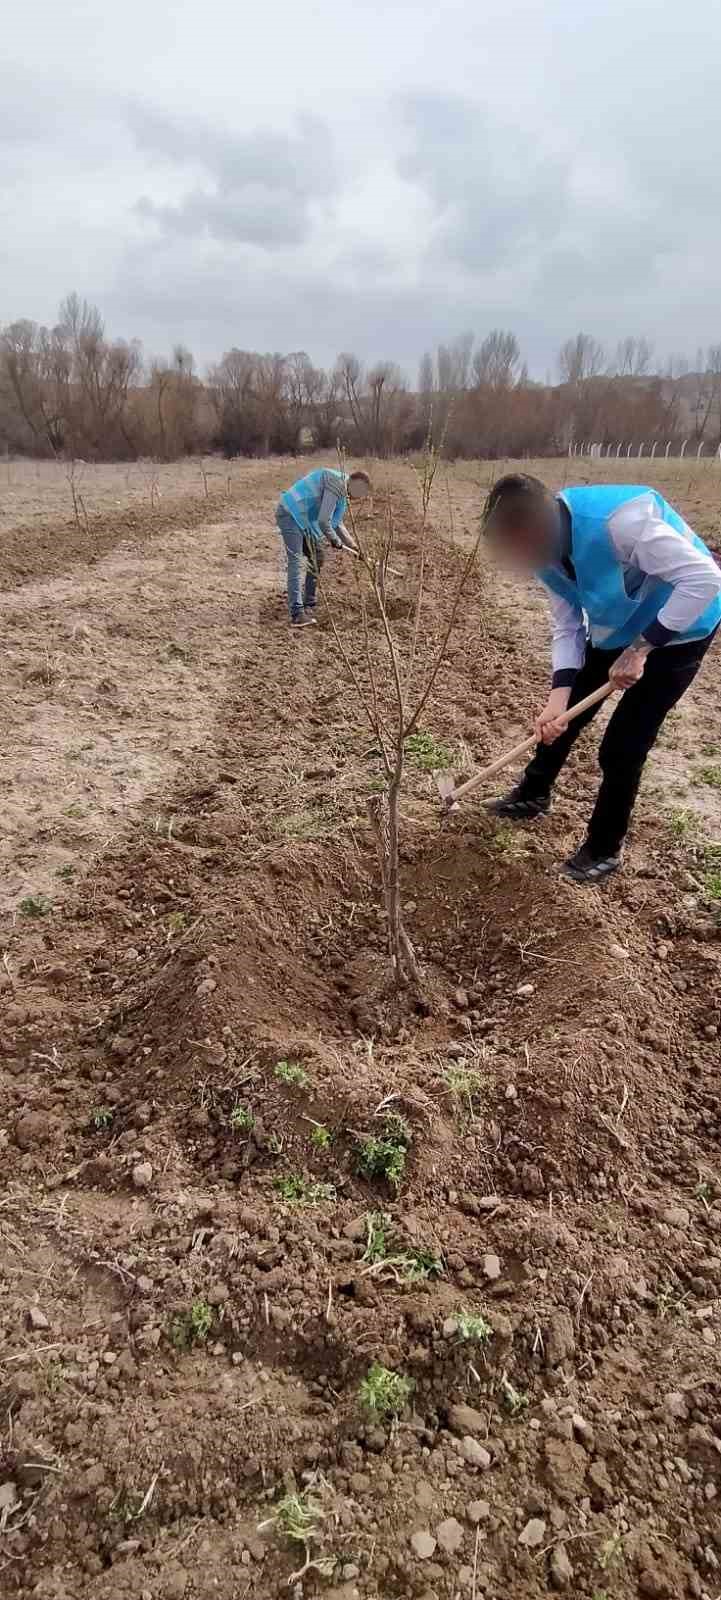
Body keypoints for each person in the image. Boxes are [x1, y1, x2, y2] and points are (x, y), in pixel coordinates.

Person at [482, 474, 721, 884]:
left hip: (684, 625)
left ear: (540, 526)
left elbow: (704, 579)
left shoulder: (621, 523)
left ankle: (604, 848)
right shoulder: (543, 555)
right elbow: (568, 625)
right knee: (562, 719)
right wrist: (558, 699)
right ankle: (533, 793)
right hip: (623, 625)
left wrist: (642, 649)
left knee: (624, 745)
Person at [276, 466, 372, 627]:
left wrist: (355, 548)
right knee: (296, 561)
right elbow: (323, 520)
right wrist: (334, 540)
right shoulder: (337, 483)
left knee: (317, 556)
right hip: (290, 513)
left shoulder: (343, 494)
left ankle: (309, 604)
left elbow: (337, 523)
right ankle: (297, 613)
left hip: (304, 520)